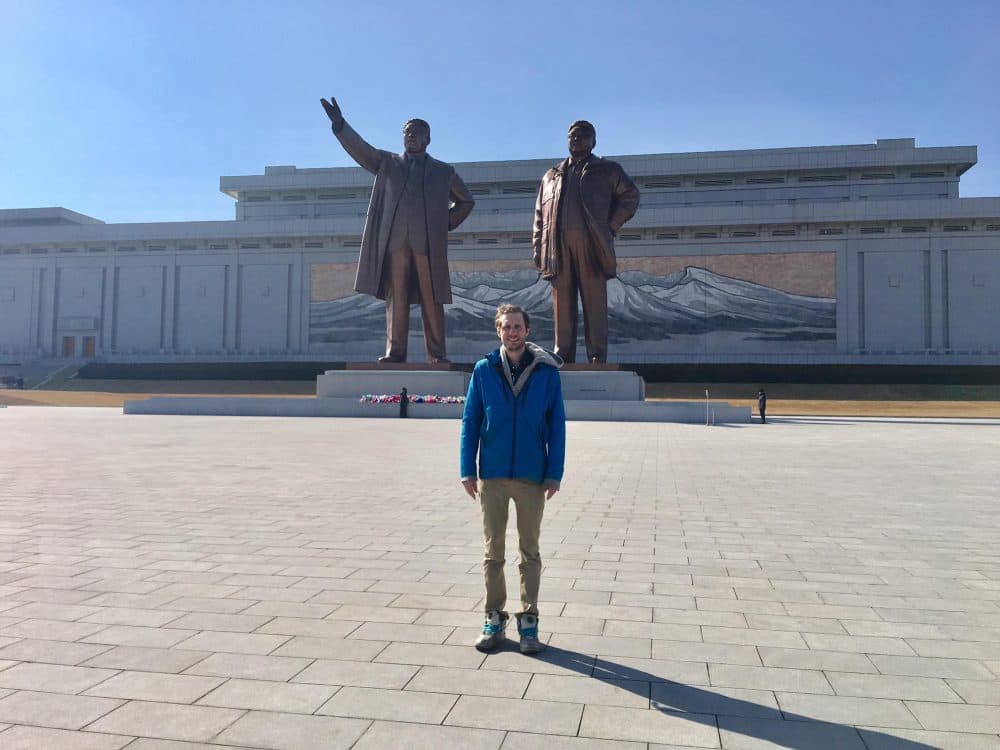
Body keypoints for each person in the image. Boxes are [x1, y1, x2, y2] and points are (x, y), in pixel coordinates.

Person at [320, 97, 475, 363]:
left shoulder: (443, 171)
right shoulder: (388, 163)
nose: (411, 137)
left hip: (427, 245)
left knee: (431, 298)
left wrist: (445, 223)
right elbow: (362, 150)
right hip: (394, 245)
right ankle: (395, 352)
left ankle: (437, 354)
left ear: (428, 139)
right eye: (407, 133)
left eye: (417, 133)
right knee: (396, 298)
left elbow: (466, 201)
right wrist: (340, 125)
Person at [460, 303, 566, 654]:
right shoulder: (483, 370)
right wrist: (467, 469)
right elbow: (470, 422)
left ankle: (529, 621)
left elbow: (557, 426)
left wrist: (554, 473)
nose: (512, 332)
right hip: (491, 474)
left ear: (527, 330)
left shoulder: (547, 373)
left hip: (532, 477)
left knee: (529, 552)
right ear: (498, 331)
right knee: (493, 553)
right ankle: (493, 618)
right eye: (506, 327)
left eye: (518, 326)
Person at [533, 120, 640, 363]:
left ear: (594, 141)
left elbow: (631, 196)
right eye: (572, 136)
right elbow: (539, 215)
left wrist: (611, 225)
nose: (576, 140)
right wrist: (538, 248)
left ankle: (597, 355)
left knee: (594, 303)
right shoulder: (551, 176)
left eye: (582, 136)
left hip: (591, 245)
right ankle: (563, 354)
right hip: (558, 248)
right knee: (562, 304)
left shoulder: (608, 170)